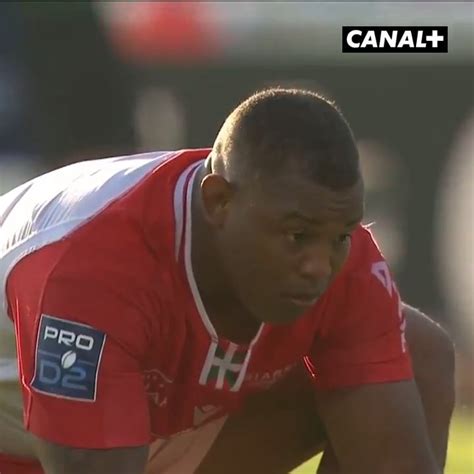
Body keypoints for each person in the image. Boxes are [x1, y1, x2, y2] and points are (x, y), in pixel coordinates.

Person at [0, 88, 454, 474]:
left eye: (340, 236)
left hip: (149, 427)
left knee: (420, 354)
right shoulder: (94, 269)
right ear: (217, 202)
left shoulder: (344, 263)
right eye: (298, 236)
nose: (320, 266)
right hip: (25, 444)